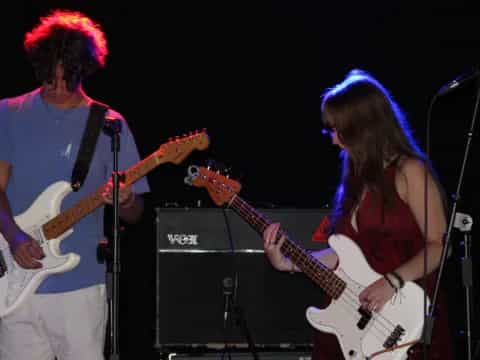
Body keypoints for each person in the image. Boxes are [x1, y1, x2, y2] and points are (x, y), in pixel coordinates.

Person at [263, 69, 453, 359]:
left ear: (365, 128)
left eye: (338, 130)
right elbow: (343, 255)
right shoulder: (353, 176)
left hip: (403, 317)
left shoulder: (409, 171)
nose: (333, 140)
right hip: (350, 324)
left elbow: (440, 245)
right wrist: (288, 262)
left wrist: (392, 281)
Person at [0, 9, 150, 360]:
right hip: (13, 283)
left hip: (80, 285)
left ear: (83, 67)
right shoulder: (7, 113)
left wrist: (125, 201)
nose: (58, 83)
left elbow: (135, 214)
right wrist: (14, 236)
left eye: (67, 71)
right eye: (51, 71)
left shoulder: (110, 124)